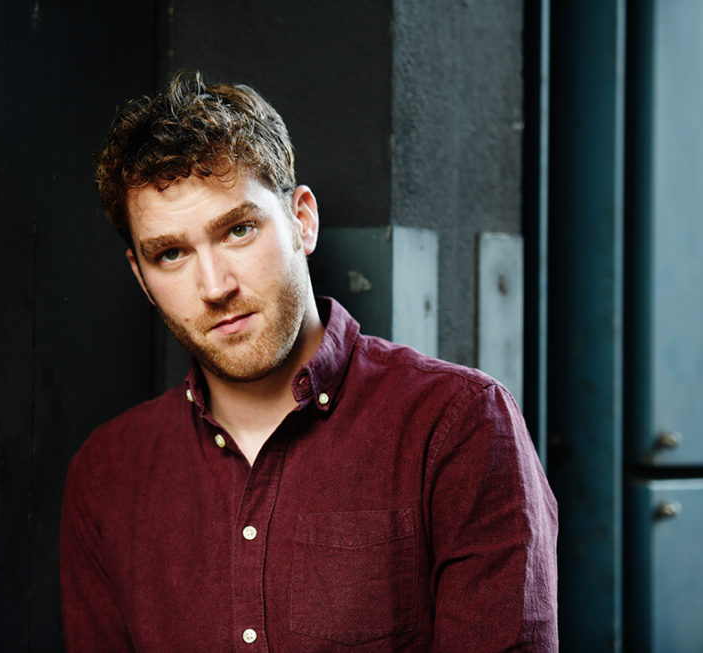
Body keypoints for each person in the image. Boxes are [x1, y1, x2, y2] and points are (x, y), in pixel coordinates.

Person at [59, 71, 558, 652]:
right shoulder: (107, 474)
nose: (215, 286)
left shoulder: (459, 425)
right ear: (141, 277)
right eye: (171, 254)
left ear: (302, 220)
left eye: (239, 230)